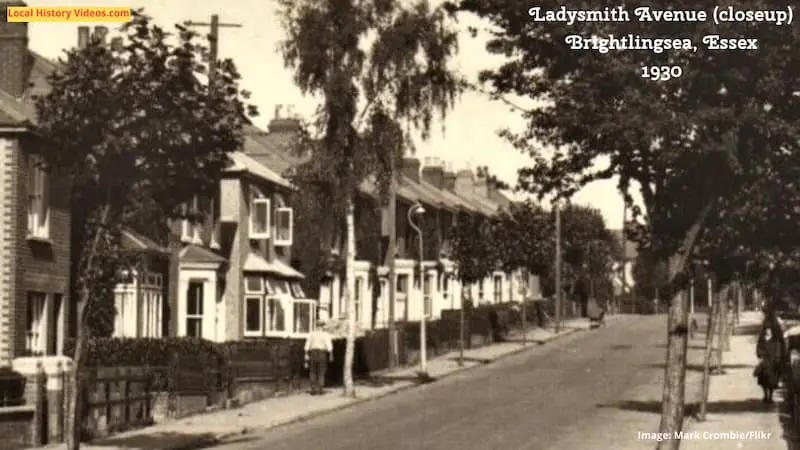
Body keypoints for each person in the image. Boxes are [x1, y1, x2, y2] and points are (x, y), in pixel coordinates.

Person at [755, 325, 786, 403]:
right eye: (767, 330)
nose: (768, 332)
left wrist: (777, 359)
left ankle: (770, 397)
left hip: (773, 363)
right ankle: (765, 395)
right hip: (764, 363)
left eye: (770, 330)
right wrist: (761, 355)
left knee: (772, 381)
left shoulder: (775, 341)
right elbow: (758, 350)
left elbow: (778, 351)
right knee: (763, 380)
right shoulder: (762, 340)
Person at [304, 319, 334, 395]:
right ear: (322, 326)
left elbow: (307, 345)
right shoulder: (325, 335)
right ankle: (320, 389)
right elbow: (329, 346)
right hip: (321, 353)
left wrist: (306, 354)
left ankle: (313, 389)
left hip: (313, 353)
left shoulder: (311, 334)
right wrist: (331, 355)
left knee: (313, 371)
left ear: (316, 326)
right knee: (321, 372)